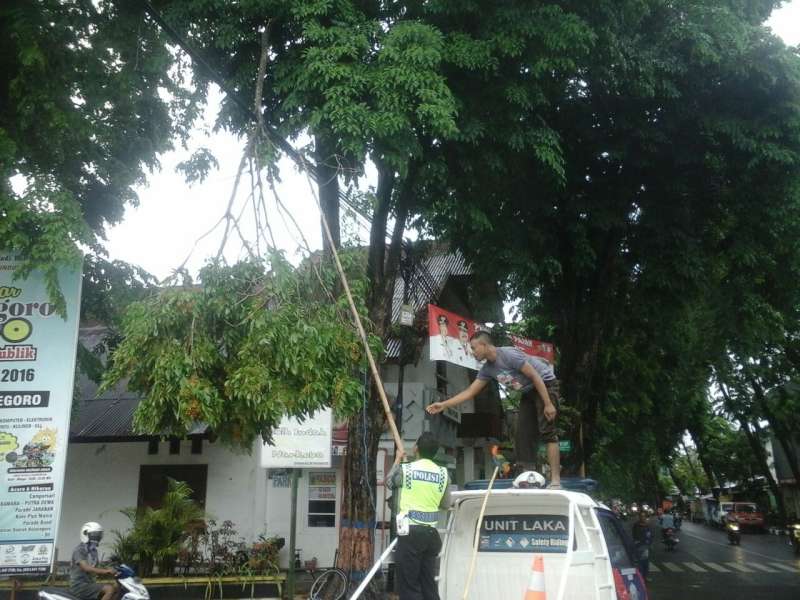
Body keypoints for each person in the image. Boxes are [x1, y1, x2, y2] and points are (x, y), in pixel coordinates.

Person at [426, 331, 561, 488]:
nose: (472, 352)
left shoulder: (509, 355)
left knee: (547, 431)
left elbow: (535, 376)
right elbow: (470, 392)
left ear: (484, 345)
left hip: (545, 385)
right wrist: (444, 405)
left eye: (474, 348)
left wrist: (548, 404)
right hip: (528, 392)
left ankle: (556, 480)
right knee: (522, 434)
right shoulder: (487, 369)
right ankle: (527, 479)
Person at [386, 433, 450, 600]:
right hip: (430, 535)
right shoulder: (443, 474)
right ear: (435, 453)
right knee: (428, 584)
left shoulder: (406, 469)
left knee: (409, 586)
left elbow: (389, 482)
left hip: (410, 534)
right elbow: (445, 504)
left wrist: (398, 459)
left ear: (416, 449)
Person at [70, 522, 117, 600]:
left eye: (99, 535)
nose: (97, 538)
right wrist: (106, 571)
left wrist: (113, 570)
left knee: (115, 587)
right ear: (85, 534)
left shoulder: (93, 552)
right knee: (109, 589)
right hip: (79, 586)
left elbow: (96, 569)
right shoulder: (79, 550)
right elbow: (86, 567)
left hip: (89, 584)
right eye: (94, 535)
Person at [631, 512, 653, 579]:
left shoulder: (647, 525)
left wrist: (649, 542)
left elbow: (650, 534)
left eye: (644, 516)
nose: (643, 517)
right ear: (639, 517)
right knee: (640, 562)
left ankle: (645, 576)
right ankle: (641, 577)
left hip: (646, 545)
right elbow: (634, 535)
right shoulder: (636, 525)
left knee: (645, 562)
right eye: (641, 516)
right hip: (639, 545)